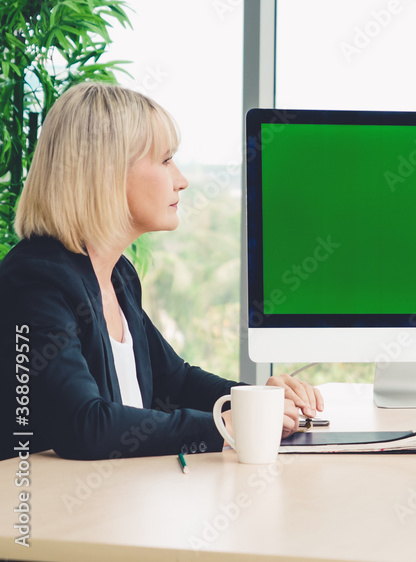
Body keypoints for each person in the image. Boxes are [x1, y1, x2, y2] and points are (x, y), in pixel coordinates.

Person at [1, 82, 323, 461]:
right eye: (166, 160)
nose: (181, 180)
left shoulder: (117, 275)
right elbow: (82, 424)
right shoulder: (35, 282)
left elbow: (177, 380)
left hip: (119, 502)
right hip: (51, 515)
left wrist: (257, 401)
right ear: (107, 172)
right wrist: (223, 427)